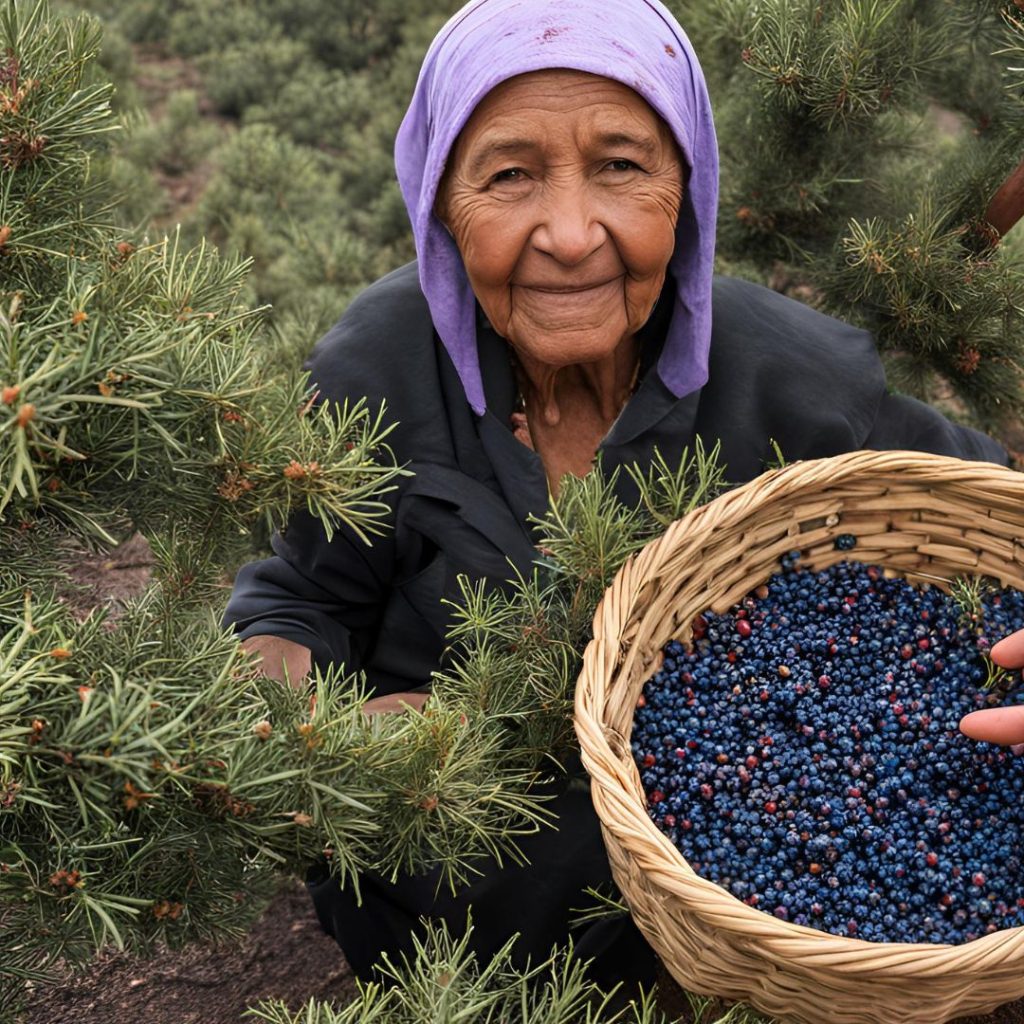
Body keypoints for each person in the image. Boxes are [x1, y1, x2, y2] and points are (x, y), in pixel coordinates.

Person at [224, 0, 1011, 994]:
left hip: (749, 937)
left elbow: (988, 512)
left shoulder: (784, 376)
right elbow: (299, 594)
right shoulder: (379, 368)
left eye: (622, 167)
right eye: (508, 174)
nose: (567, 233)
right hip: (448, 934)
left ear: (686, 188)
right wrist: (318, 734)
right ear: (438, 198)